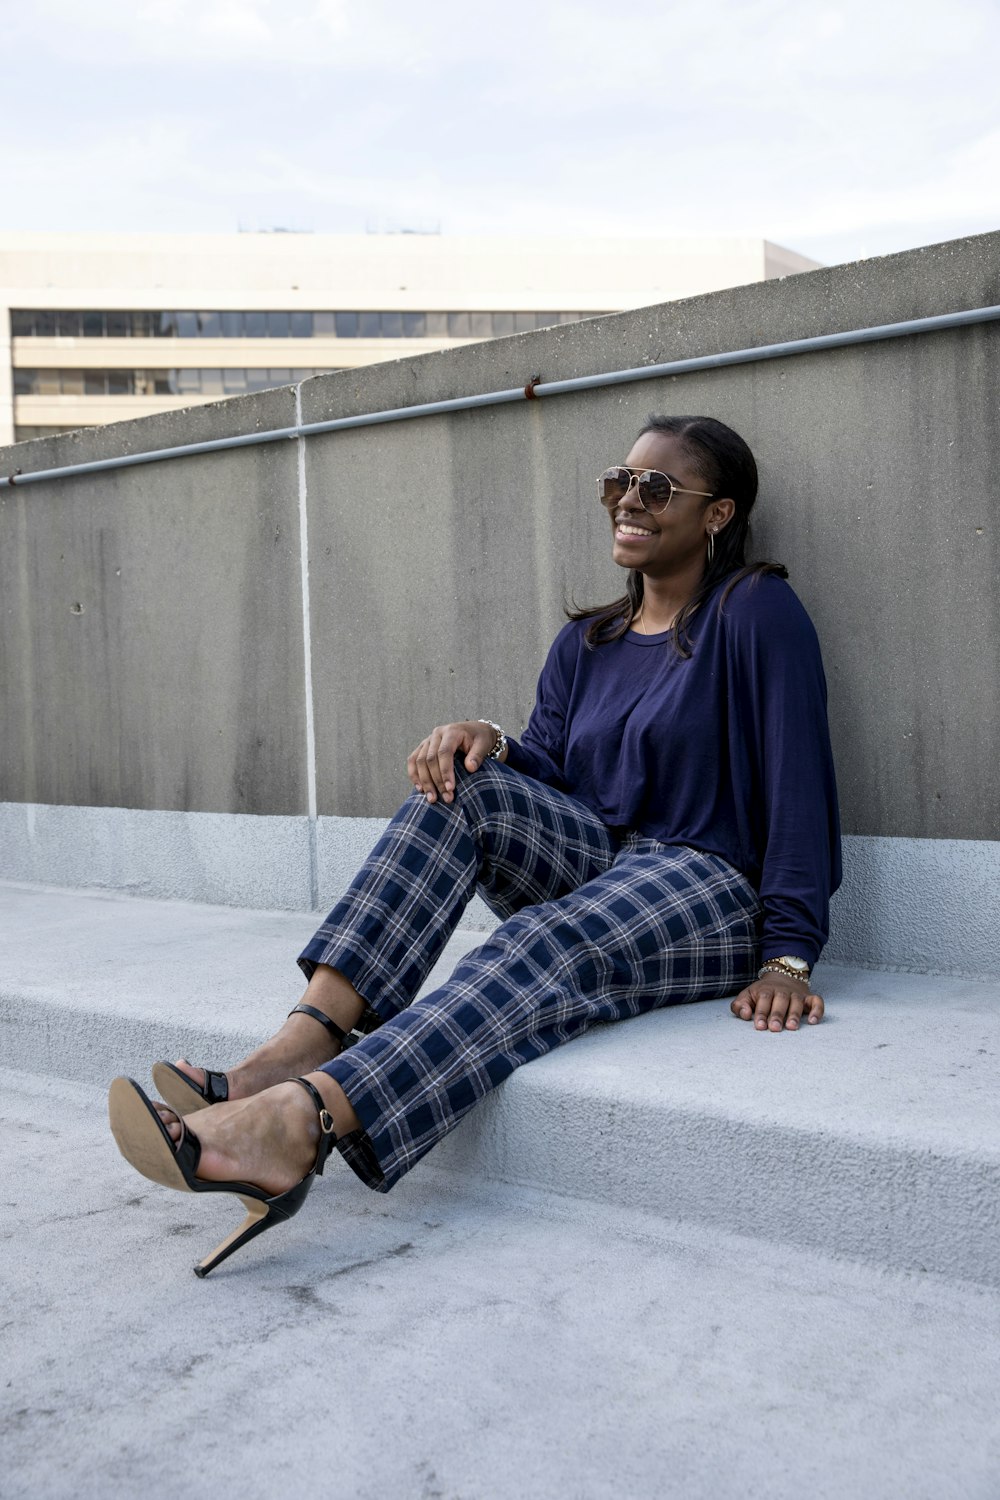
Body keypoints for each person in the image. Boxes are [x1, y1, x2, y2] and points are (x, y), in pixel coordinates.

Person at [108, 413, 841, 1277]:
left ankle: (297, 1122)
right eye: (619, 481)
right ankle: (298, 1044)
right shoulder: (587, 643)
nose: (627, 503)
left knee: (538, 939)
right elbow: (558, 775)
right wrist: (486, 738)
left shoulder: (755, 610)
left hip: (707, 884)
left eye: (656, 489)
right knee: (457, 783)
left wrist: (788, 954)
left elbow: (800, 777)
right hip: (603, 862)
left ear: (717, 515)